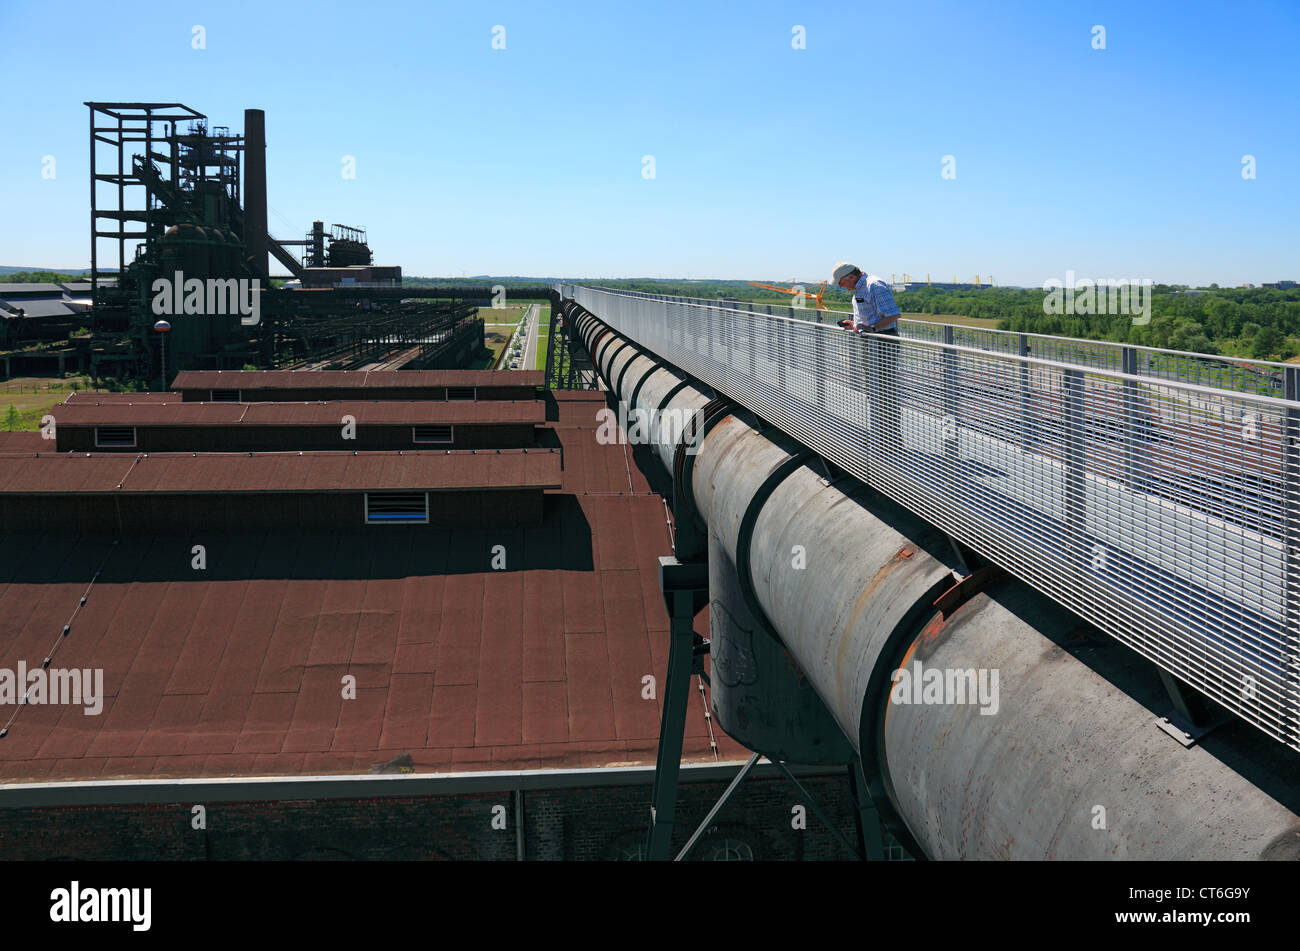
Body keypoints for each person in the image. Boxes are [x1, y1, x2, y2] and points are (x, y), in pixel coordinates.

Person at [832, 262, 903, 446]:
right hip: (869, 341)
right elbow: (869, 318)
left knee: (885, 390)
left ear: (850, 277)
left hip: (882, 341)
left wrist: (871, 328)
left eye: (841, 283)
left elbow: (893, 315)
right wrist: (855, 325)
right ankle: (880, 434)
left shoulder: (874, 285)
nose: (841, 287)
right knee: (873, 389)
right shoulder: (859, 289)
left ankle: (891, 440)